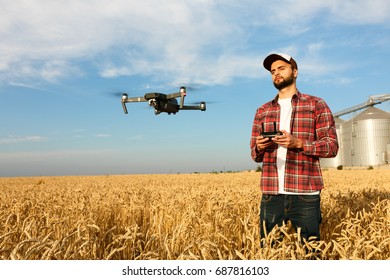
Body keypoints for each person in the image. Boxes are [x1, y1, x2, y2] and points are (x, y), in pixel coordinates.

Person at [250, 53, 338, 244]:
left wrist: (299, 143)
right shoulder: (262, 111)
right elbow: (254, 155)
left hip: (305, 194)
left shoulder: (316, 104)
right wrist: (259, 146)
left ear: (295, 72)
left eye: (281, 68)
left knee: (310, 251)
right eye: (273, 71)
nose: (276, 74)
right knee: (269, 251)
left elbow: (332, 146)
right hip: (271, 194)